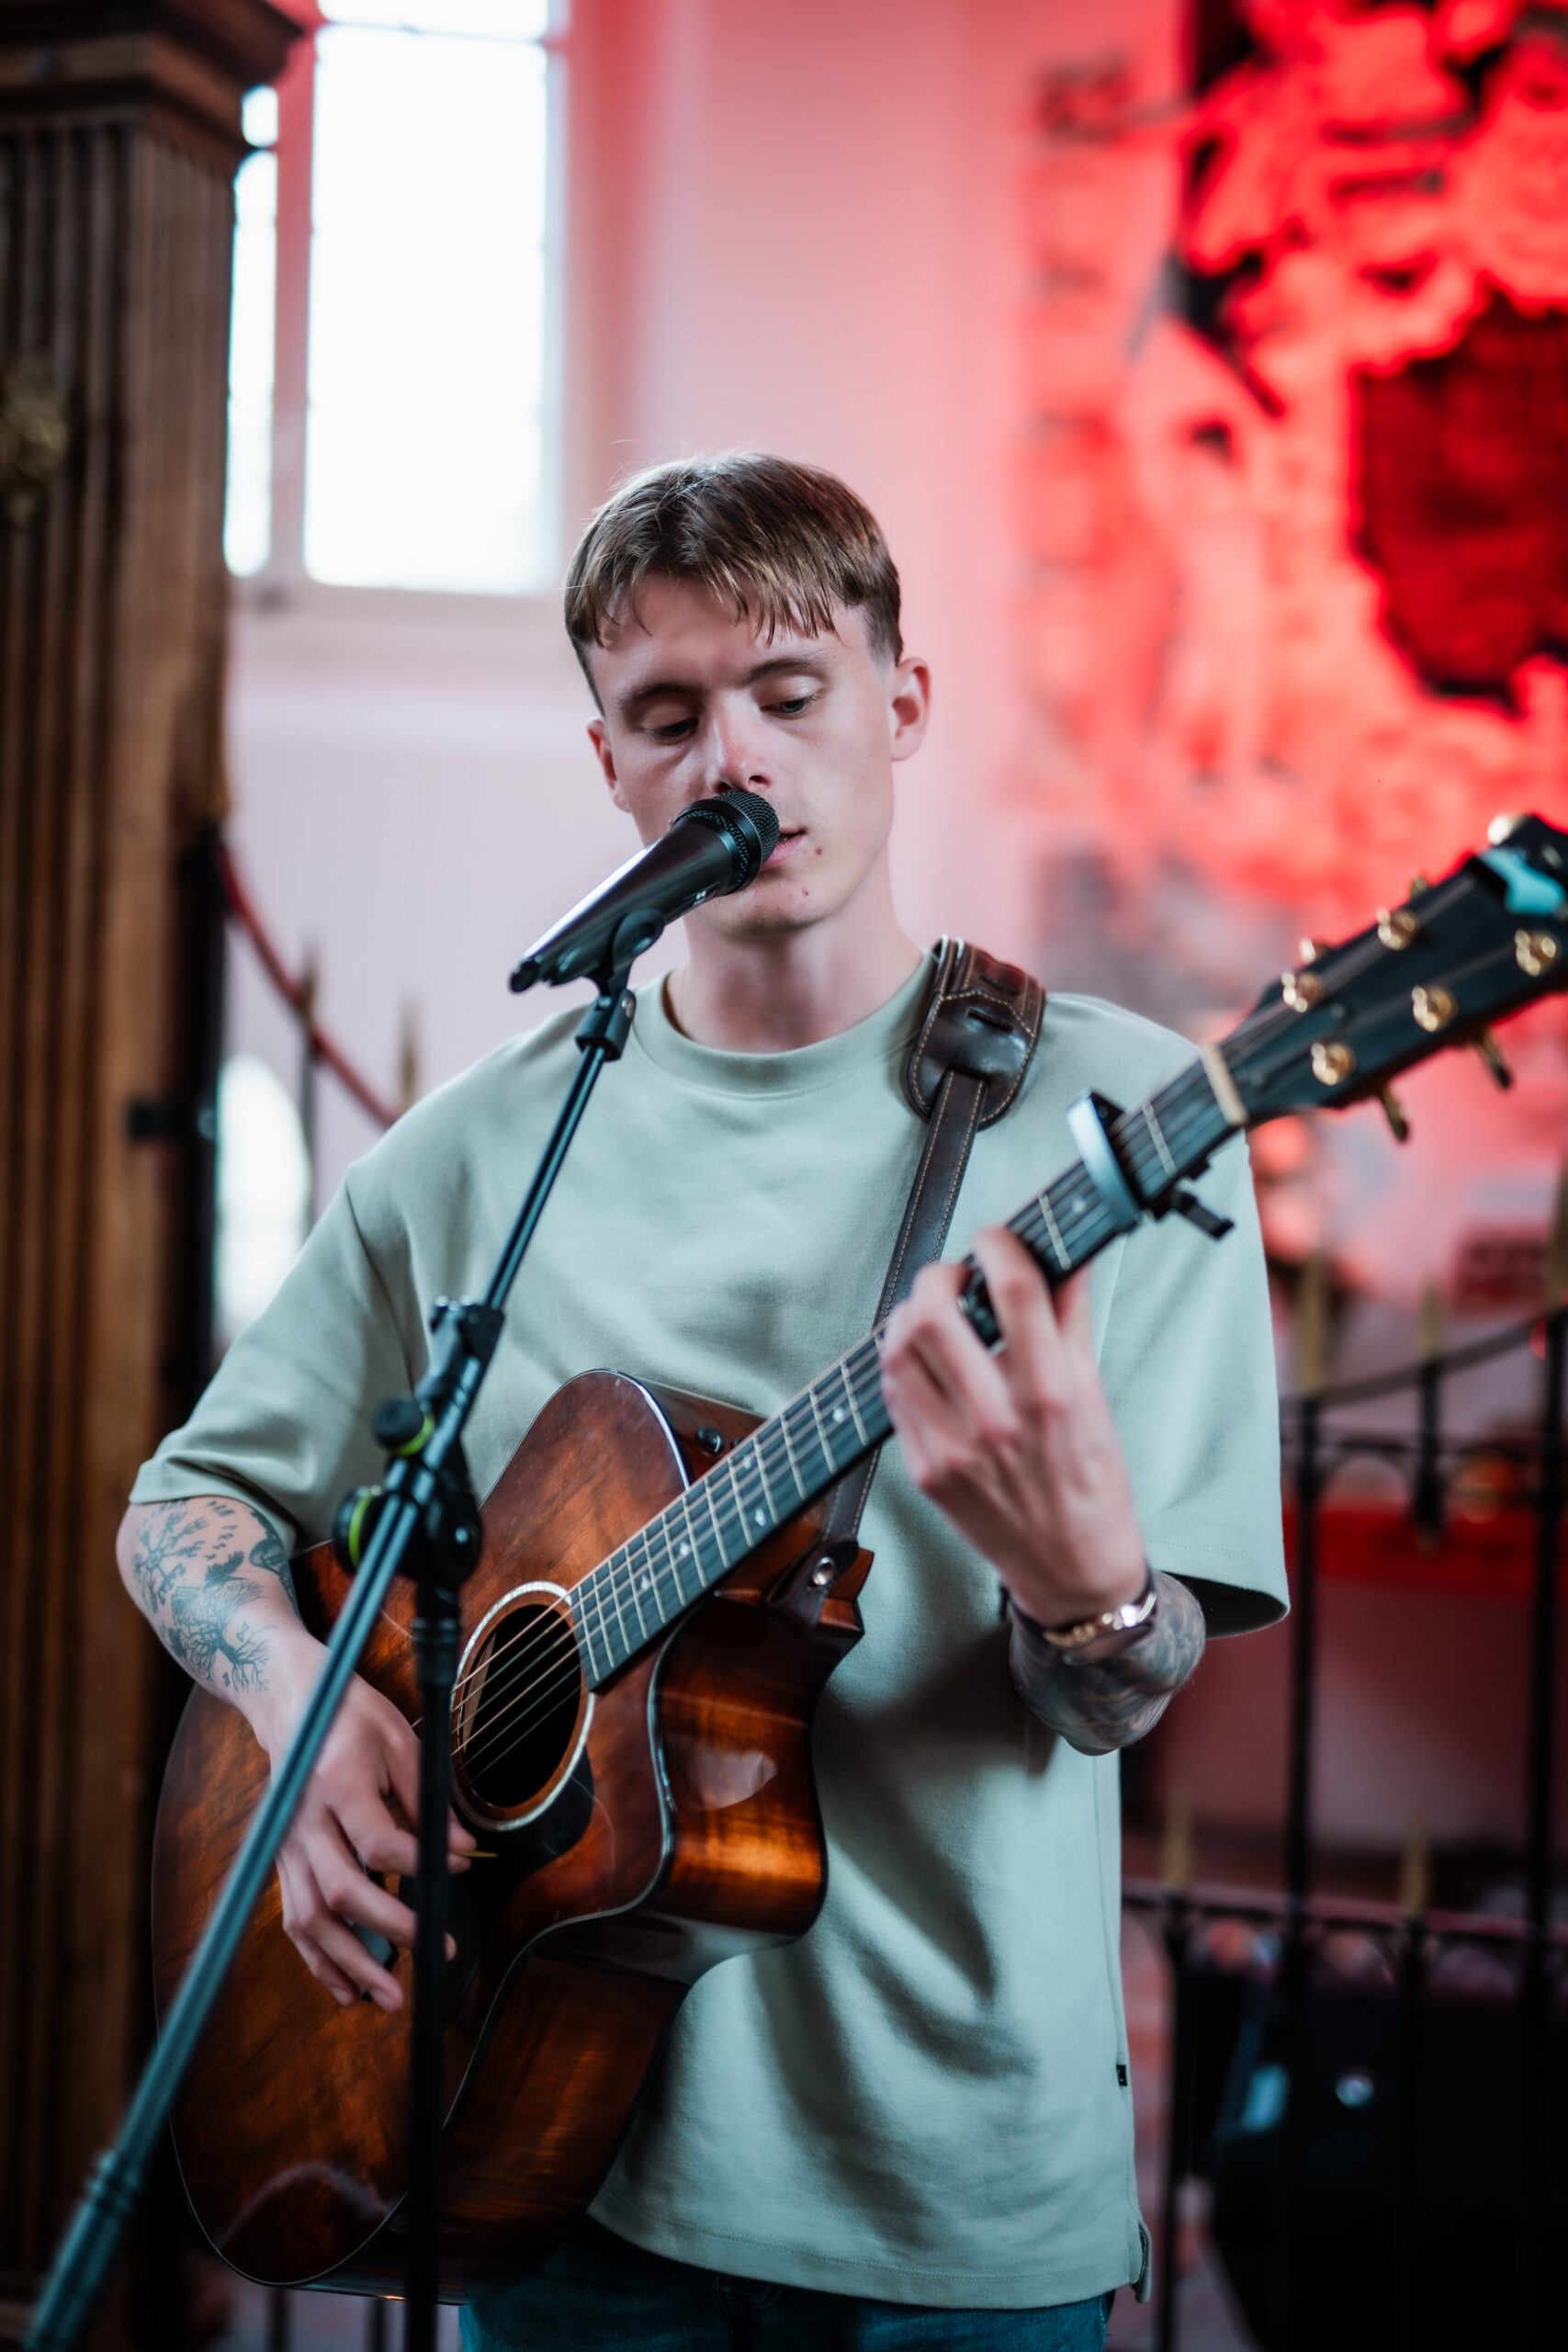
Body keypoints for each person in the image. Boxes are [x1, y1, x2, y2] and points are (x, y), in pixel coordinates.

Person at [119, 454, 1286, 2350]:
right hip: (542, 2161)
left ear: (902, 704)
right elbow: (188, 1503)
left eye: (788, 692)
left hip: (948, 2200)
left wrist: (1090, 1595)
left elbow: (1113, 1700)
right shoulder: (485, 1147)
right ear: (610, 765)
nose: (732, 759)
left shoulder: (1119, 1126)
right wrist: (300, 1703)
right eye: (667, 717)